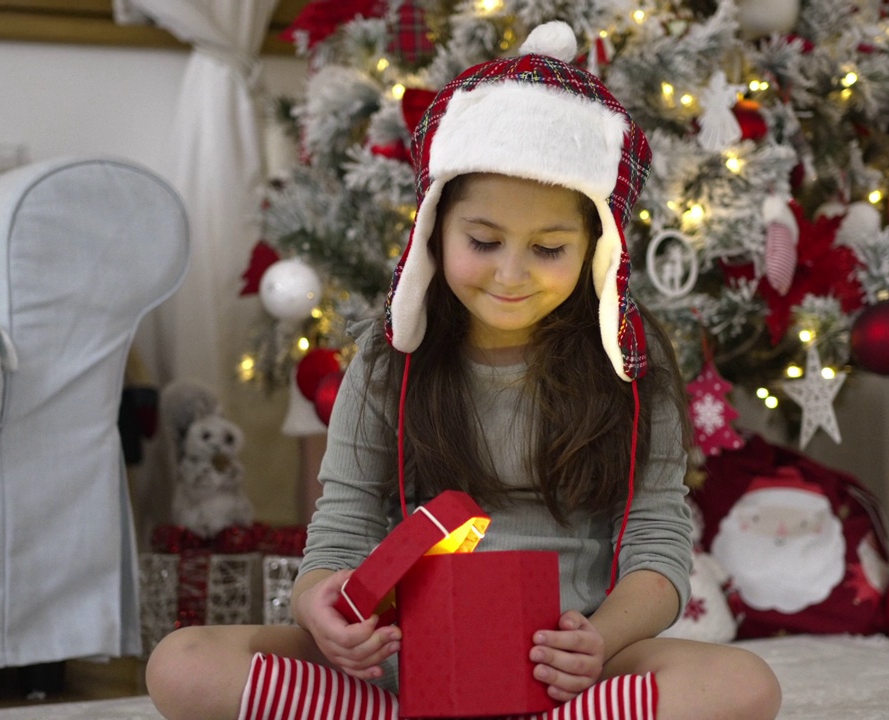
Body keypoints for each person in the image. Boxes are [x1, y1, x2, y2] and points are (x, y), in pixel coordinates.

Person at [146, 21, 781, 720]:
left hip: (567, 671)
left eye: (549, 249)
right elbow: (343, 526)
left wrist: (600, 638)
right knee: (184, 666)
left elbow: (657, 545)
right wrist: (321, 603)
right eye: (483, 240)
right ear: (435, 229)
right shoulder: (391, 361)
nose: (511, 275)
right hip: (403, 664)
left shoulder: (628, 364)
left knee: (743, 685)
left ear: (596, 248)